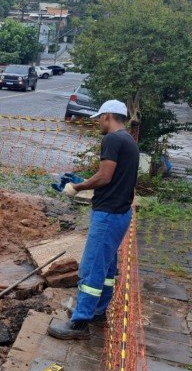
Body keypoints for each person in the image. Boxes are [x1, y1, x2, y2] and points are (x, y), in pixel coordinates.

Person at [48, 100, 139, 340]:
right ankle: (98, 312)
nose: (98, 122)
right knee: (108, 269)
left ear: (108, 116)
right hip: (120, 213)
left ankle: (79, 323)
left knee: (91, 270)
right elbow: (115, 176)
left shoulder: (112, 139)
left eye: (100, 117)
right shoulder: (129, 140)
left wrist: (77, 187)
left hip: (108, 215)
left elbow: (105, 176)